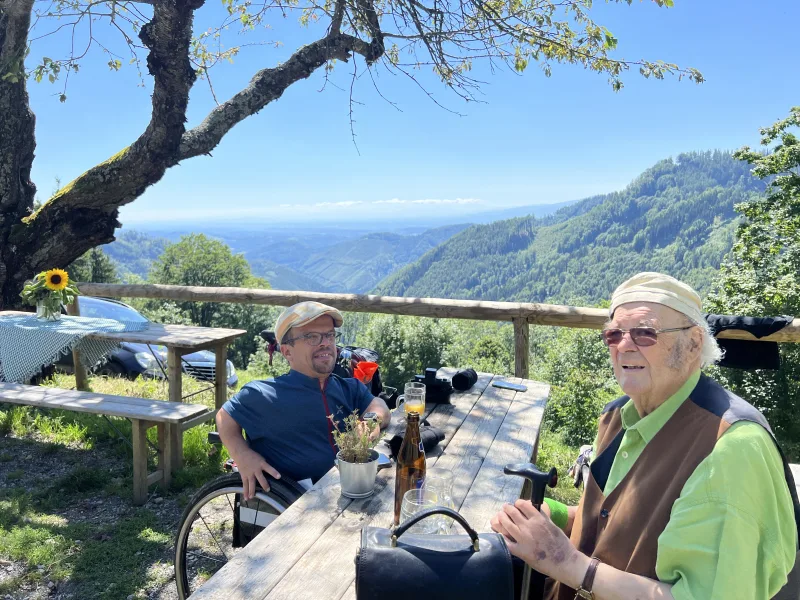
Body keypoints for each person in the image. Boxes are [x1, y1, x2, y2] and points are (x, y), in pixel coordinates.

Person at [492, 272, 799, 600]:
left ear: (694, 343)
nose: (624, 346)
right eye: (614, 334)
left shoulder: (730, 449)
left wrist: (564, 561)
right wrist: (548, 516)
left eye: (645, 333)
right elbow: (608, 520)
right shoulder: (619, 416)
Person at [216, 301, 391, 500]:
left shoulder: (349, 387)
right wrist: (242, 456)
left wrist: (369, 421)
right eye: (312, 337)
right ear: (287, 351)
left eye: (330, 335)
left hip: (351, 493)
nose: (325, 343)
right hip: (297, 507)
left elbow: (380, 406)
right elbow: (224, 416)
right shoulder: (263, 393)